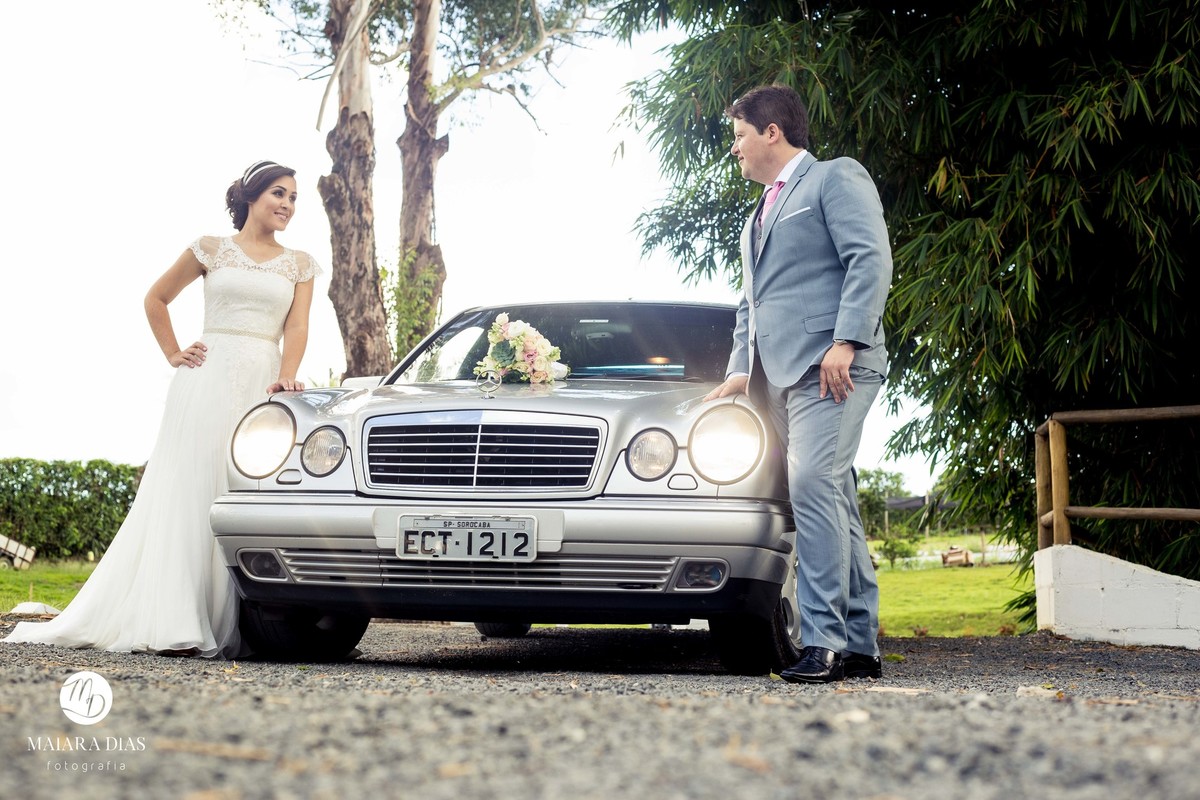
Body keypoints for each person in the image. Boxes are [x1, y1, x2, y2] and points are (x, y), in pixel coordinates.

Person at [3, 160, 319, 658]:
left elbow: (297, 327)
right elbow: (156, 298)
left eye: (294, 197)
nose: (288, 204)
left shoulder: (300, 263)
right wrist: (174, 352)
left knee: (245, 490)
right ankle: (176, 618)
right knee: (191, 492)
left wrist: (288, 373)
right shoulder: (210, 248)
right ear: (251, 196)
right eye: (279, 193)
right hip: (205, 380)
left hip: (263, 385)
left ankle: (257, 622)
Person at [704, 85, 892, 683]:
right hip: (777, 378)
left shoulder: (835, 178)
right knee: (833, 497)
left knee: (812, 485)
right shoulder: (755, 217)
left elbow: (870, 258)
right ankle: (859, 646)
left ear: (772, 132)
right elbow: (751, 303)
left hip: (833, 367)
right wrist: (740, 369)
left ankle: (822, 643)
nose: (735, 148)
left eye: (739, 136)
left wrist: (847, 340)